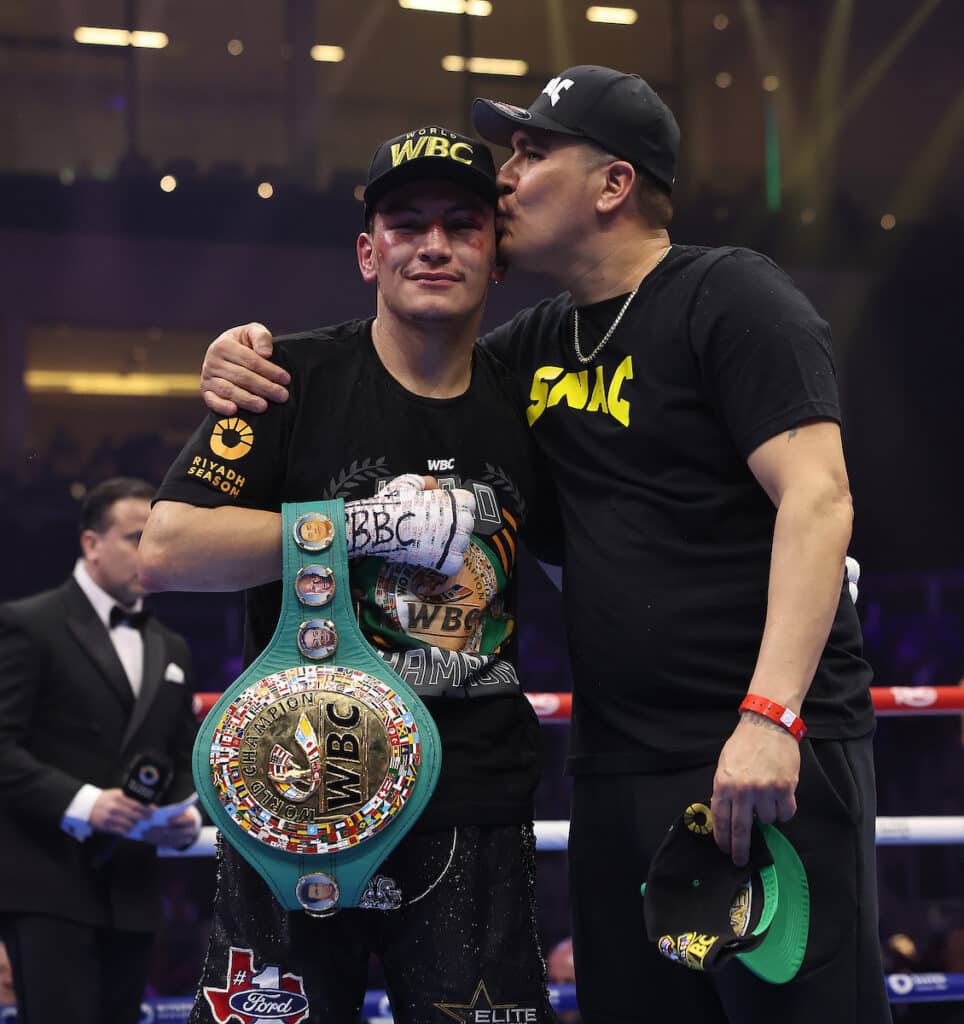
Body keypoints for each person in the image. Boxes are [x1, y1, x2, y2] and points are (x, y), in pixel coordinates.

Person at [198, 67, 888, 1023]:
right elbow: (410, 359)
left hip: (756, 748)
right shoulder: (532, 347)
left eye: (531, 152)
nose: (507, 176)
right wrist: (240, 356)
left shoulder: (731, 296)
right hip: (614, 762)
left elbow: (819, 497)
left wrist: (771, 717)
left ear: (612, 184)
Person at [139, 126, 559, 1022]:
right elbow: (167, 547)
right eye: (406, 224)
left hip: (473, 803)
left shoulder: (531, 396)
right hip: (292, 801)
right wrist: (365, 526)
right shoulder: (285, 377)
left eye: (462, 224)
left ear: (497, 254)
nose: (434, 245)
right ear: (369, 253)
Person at [0, 477, 201, 1024]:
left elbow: (182, 757)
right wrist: (87, 803)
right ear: (91, 544)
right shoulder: (30, 623)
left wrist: (184, 814)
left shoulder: (172, 646)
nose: (151, 552)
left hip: (133, 887)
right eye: (136, 537)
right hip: (49, 881)